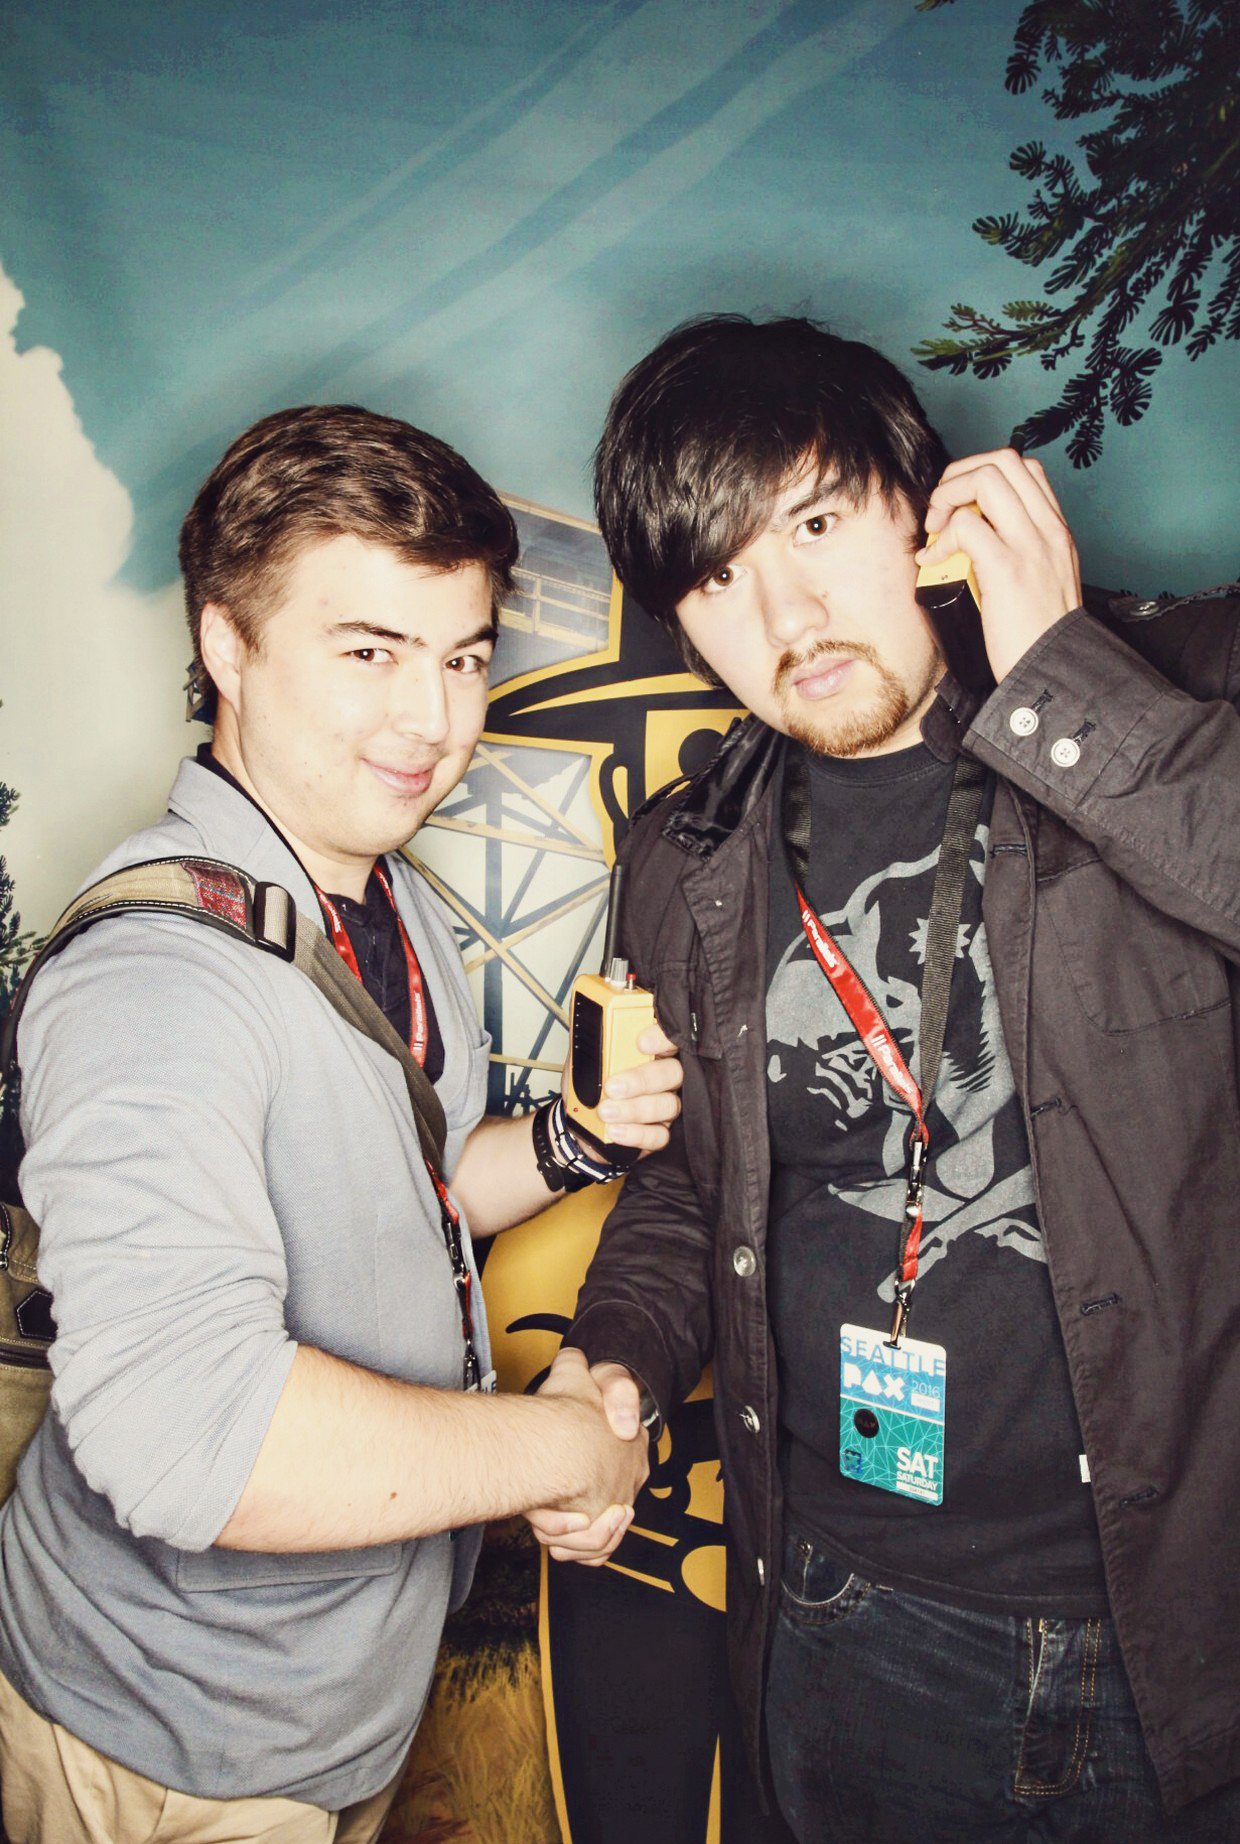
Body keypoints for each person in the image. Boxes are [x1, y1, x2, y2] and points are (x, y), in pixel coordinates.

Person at [527, 315, 1240, 1841]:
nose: (787, 613)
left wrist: (1065, 680)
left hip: (1184, 1633)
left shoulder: (1183, 687)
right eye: (717, 578)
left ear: (928, 503)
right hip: (849, 1623)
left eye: (816, 524)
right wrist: (616, 1363)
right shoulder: (685, 859)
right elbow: (692, 1191)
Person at [0, 404, 681, 1844]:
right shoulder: (157, 980)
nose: (433, 720)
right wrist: (569, 1449)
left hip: (333, 1720)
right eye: (369, 652)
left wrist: (573, 1141)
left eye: (463, 658)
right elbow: (195, 1438)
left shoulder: (391, 903)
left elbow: (415, 1196)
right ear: (228, 647)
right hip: (165, 1756)